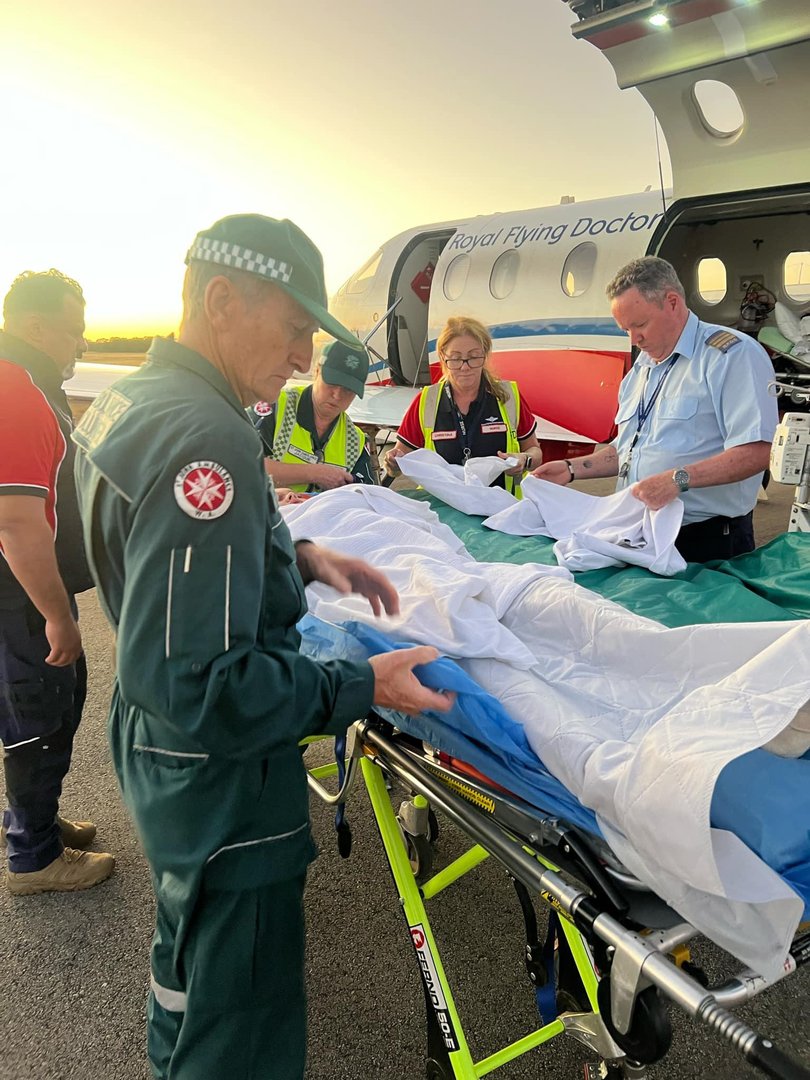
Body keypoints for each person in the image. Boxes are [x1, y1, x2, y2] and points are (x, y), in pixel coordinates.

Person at [71, 214, 453, 1080]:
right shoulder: (208, 437)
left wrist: (303, 557)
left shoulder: (132, 403)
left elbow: (111, 556)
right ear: (220, 299)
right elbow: (205, 684)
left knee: (187, 974)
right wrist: (358, 686)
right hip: (221, 782)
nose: (299, 357)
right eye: (291, 330)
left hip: (157, 753)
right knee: (238, 1027)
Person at [531, 256, 778, 563]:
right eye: (625, 330)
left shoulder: (730, 355)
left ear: (672, 302)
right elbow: (629, 450)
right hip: (639, 534)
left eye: (640, 324)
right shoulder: (642, 369)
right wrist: (572, 469)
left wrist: (678, 480)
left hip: (707, 542)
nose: (634, 339)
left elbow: (756, 451)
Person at [0, 270, 115, 895]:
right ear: (36, 326)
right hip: (19, 595)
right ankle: (34, 858)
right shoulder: (16, 387)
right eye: (73, 331)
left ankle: (30, 820)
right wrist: (57, 614)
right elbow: (17, 522)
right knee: (40, 714)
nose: (81, 344)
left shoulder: (23, 380)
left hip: (20, 592)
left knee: (44, 706)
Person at [384, 315, 541, 496]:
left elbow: (535, 452)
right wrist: (393, 463)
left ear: (485, 354)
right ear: (443, 357)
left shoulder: (508, 397)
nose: (465, 367)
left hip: (500, 508)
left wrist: (524, 459)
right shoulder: (427, 401)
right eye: (456, 358)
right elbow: (396, 464)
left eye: (474, 357)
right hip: (443, 512)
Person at [247, 340, 375, 492]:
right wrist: (314, 473)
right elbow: (244, 465)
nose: (337, 395)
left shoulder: (356, 441)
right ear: (316, 372)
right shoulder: (273, 406)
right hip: (267, 512)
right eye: (332, 383)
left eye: (348, 390)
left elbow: (368, 494)